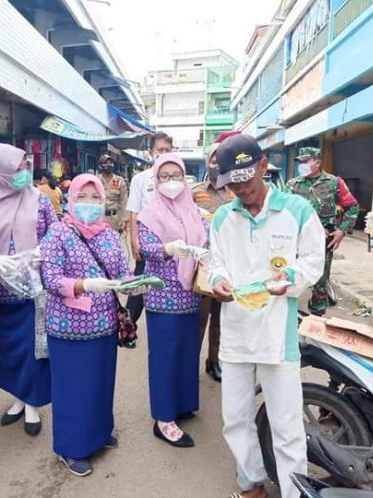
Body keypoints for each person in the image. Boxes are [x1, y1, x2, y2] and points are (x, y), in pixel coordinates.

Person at [210, 134, 325, 498]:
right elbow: (215, 263)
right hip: (236, 333)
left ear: (263, 167)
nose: (241, 187)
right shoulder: (222, 218)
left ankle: (294, 493)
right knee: (236, 419)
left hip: (278, 336)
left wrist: (290, 278)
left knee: (287, 424)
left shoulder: (297, 210)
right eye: (233, 182)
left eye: (247, 178)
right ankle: (251, 483)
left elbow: (313, 260)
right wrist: (218, 280)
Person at [41, 174, 130, 477]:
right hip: (68, 328)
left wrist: (136, 284)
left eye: (96, 197)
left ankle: (98, 434)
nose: (89, 204)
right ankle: (71, 447)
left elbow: (121, 271)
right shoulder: (58, 233)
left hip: (103, 325)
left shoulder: (109, 234)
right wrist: (82, 284)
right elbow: (50, 279)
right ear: (71, 199)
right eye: (83, 197)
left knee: (100, 383)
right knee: (72, 389)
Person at [0, 143, 55, 436]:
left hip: (33, 288)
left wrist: (41, 252)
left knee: (34, 348)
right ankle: (18, 397)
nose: (25, 172)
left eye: (26, 166)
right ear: (0, 171)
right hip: (0, 290)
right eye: (18, 168)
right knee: (8, 347)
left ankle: (33, 401)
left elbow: (54, 234)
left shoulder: (40, 200)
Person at [138, 153, 209, 448]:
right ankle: (164, 418)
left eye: (176, 176)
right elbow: (145, 248)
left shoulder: (194, 210)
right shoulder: (148, 213)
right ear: (156, 180)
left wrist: (205, 251)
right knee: (165, 357)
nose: (171, 182)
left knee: (187, 352)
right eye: (164, 177)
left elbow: (206, 240)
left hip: (190, 295)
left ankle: (182, 403)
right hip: (162, 297)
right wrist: (169, 248)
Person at [286, 147, 358, 316]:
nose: (301, 165)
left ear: (317, 162)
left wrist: (342, 231)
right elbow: (283, 211)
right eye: (300, 162)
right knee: (289, 276)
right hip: (294, 239)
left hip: (323, 240)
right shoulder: (292, 184)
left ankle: (317, 318)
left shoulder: (334, 183)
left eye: (306, 161)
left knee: (320, 279)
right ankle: (287, 314)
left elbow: (352, 207)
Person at [125, 132, 173, 344]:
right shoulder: (140, 179)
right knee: (140, 286)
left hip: (170, 244)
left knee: (165, 284)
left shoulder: (175, 177)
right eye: (160, 150)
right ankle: (127, 328)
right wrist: (135, 241)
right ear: (150, 153)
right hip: (146, 241)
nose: (163, 154)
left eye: (167, 150)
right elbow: (134, 211)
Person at [191, 142, 234, 383]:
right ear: (207, 161)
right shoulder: (195, 191)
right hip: (204, 264)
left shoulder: (235, 191)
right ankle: (191, 364)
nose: (217, 164)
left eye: (222, 159)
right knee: (200, 318)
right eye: (213, 159)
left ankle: (214, 361)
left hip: (229, 262)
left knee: (221, 317)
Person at [98, 154, 129, 232]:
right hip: (99, 218)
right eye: (105, 163)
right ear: (100, 166)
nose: (108, 165)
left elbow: (124, 201)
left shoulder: (119, 181)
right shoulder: (96, 180)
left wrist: (124, 219)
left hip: (114, 219)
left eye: (111, 163)